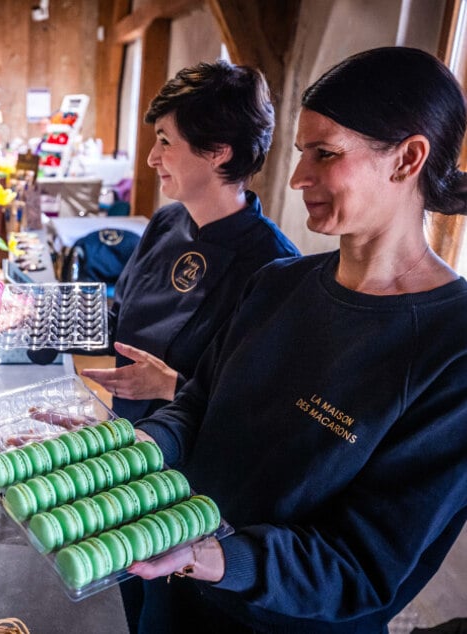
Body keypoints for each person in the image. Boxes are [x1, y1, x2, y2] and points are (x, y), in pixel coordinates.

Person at [128, 46, 467, 634]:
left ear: (409, 159)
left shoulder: (450, 347)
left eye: (325, 153)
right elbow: (197, 409)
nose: (296, 178)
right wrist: (131, 446)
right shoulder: (277, 285)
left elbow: (364, 565)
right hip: (175, 585)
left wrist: (216, 556)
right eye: (299, 152)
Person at [52, 60, 299, 633]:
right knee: (121, 601)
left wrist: (171, 387)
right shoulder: (167, 224)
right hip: (123, 452)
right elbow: (124, 315)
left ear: (217, 152)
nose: (151, 158)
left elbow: (257, 414)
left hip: (188, 489)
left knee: (161, 609)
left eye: (165, 141)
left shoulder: (273, 266)